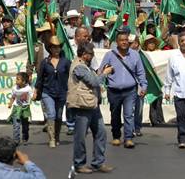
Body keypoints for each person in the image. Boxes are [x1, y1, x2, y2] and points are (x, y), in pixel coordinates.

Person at [67, 42, 112, 174]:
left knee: (101, 133)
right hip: (82, 106)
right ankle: (79, 164)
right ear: (83, 54)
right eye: (90, 54)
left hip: (92, 105)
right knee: (80, 136)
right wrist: (105, 73)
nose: (92, 56)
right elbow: (94, 81)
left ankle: (98, 162)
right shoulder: (79, 67)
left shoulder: (87, 66)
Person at [99, 28, 147, 149]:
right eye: (121, 40)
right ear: (117, 42)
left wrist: (143, 86)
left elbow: (141, 72)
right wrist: (100, 84)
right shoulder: (109, 55)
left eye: (126, 40)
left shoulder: (135, 55)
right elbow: (101, 71)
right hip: (113, 91)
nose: (124, 42)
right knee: (115, 114)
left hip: (130, 91)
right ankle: (116, 136)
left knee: (128, 114)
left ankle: (128, 138)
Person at [34, 35, 70, 148]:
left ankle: (57, 135)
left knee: (59, 116)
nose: (56, 49)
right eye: (54, 47)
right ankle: (52, 138)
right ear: (50, 48)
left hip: (62, 92)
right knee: (51, 113)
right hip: (47, 91)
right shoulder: (45, 62)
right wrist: (36, 91)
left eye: (58, 47)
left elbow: (71, 77)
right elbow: (39, 78)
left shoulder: (66, 62)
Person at [7, 72, 32, 145]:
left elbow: (32, 96)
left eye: (18, 79)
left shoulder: (28, 89)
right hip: (16, 108)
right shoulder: (15, 88)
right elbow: (13, 97)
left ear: (24, 81)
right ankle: (16, 140)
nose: (16, 81)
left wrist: (35, 97)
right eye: (16, 79)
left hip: (25, 108)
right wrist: (10, 104)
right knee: (16, 125)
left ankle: (25, 137)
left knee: (25, 125)